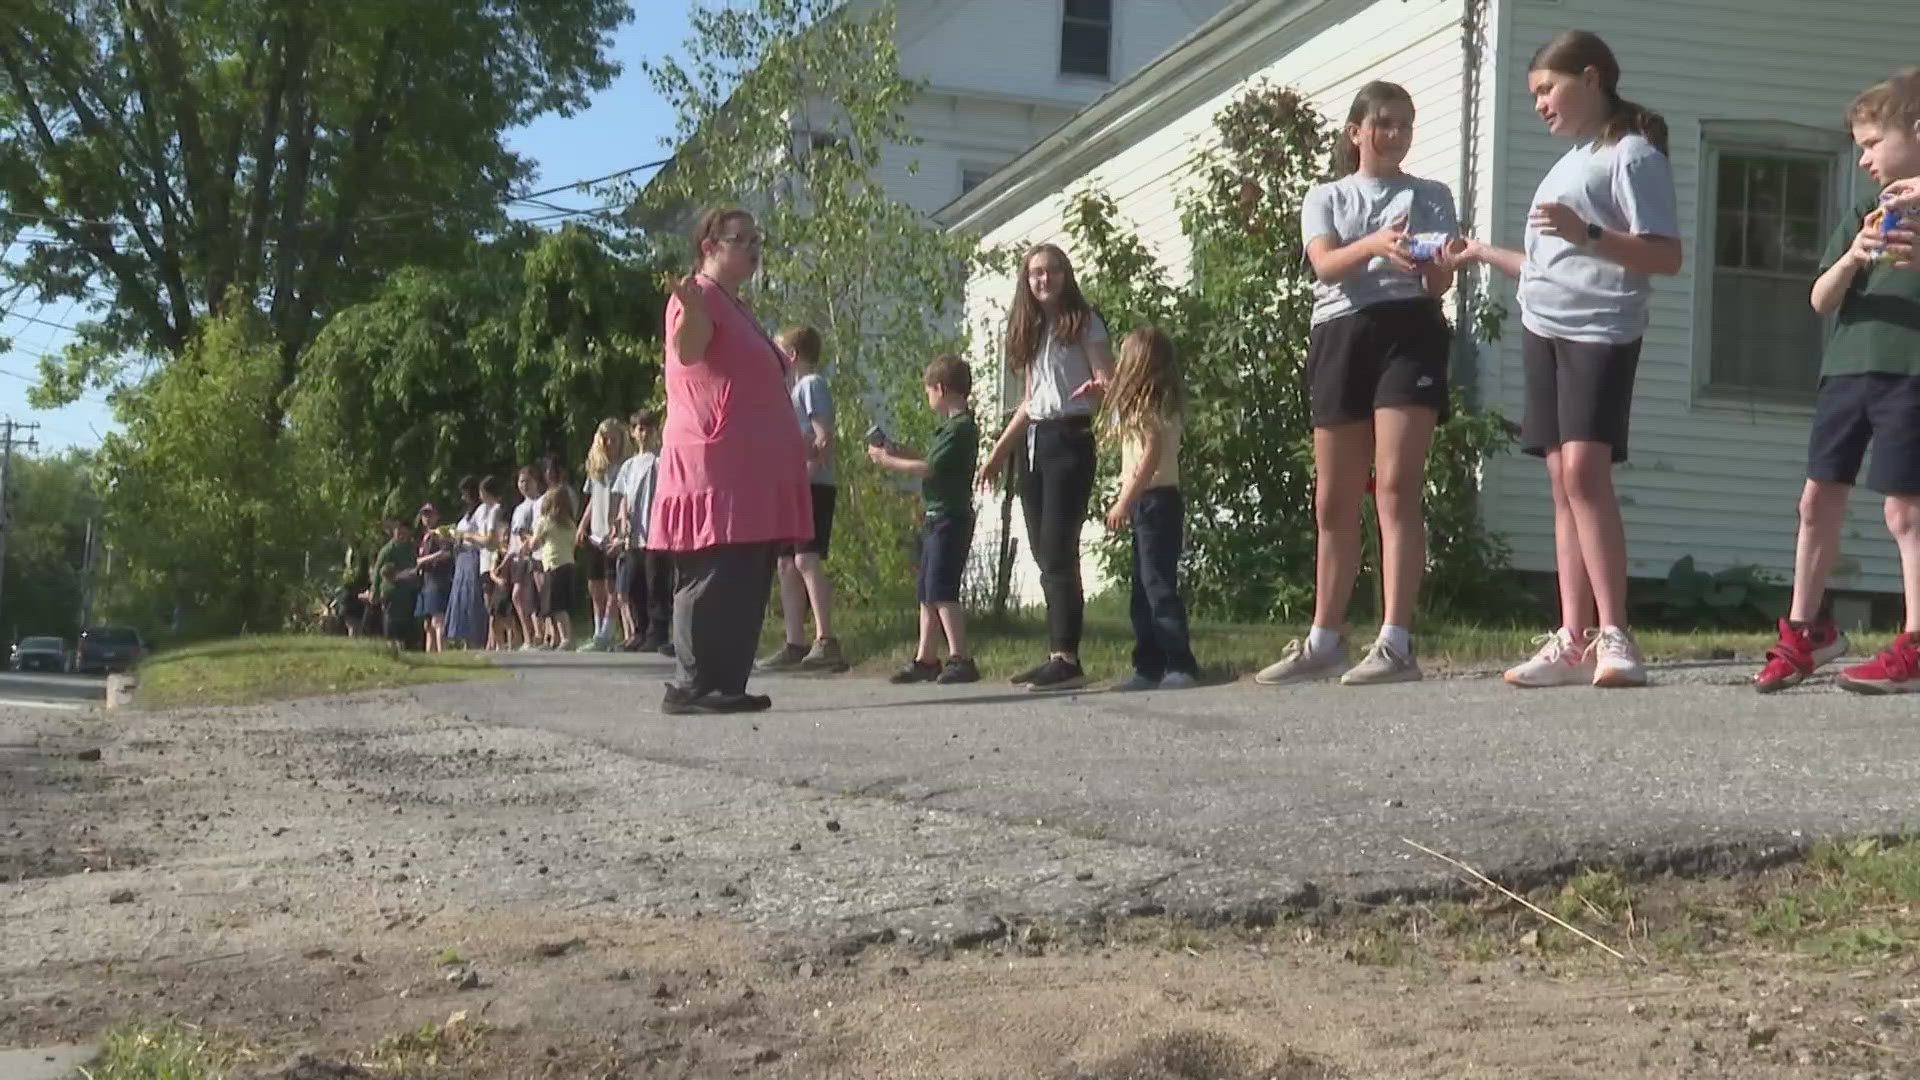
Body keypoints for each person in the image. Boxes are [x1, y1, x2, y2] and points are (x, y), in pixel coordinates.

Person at [1457, 29, 1682, 689]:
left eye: (1546, 90)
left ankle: (1617, 636)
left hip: (1599, 331)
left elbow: (1664, 255)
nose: (1540, 105)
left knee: (1586, 473)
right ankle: (1572, 637)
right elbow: (1548, 265)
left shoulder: (1632, 155)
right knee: (1562, 484)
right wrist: (1479, 253)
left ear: (1590, 79)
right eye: (1532, 95)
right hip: (1543, 328)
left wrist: (1587, 231)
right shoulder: (1570, 160)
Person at [1252, 81, 1460, 688]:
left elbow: (1438, 286)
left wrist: (1435, 263)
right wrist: (1374, 244)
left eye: (1404, 125)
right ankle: (1325, 638)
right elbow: (1323, 263)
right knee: (1333, 499)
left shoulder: (1432, 194)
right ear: (1356, 132)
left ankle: (1396, 641)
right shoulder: (1327, 196)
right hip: (1341, 333)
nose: (1394, 135)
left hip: (1409, 332)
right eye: (1384, 123)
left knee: (1394, 486)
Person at [1754, 70, 1920, 694]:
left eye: (1874, 142)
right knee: (1817, 499)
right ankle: (1807, 632)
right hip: (1849, 370)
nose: (1863, 157)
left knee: (1905, 508)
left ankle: (1914, 641)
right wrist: (1852, 256)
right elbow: (1821, 300)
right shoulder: (1863, 210)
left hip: (1910, 370)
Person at [652, 207, 812, 714]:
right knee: (711, 572)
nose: (752, 247)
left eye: (755, 238)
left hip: (751, 470)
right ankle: (692, 686)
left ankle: (727, 683)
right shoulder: (697, 299)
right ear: (709, 247)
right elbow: (690, 350)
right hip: (714, 464)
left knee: (744, 572)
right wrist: (694, 311)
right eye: (740, 238)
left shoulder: (736, 304)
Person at [975, 243, 1114, 692]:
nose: (1044, 279)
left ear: (1065, 275)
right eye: (1035, 273)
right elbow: (1030, 402)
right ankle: (1055, 652)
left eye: (1052, 270)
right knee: (1040, 547)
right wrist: (998, 453)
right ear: (1026, 280)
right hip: (1035, 440)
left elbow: (1108, 381)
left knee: (1059, 546)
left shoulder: (1084, 322)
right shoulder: (1031, 329)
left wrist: (1099, 388)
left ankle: (1067, 657)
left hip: (1070, 436)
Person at [869, 355, 982, 685]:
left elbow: (929, 469)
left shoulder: (961, 428)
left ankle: (961, 656)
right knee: (927, 589)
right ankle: (926, 657)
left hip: (951, 518)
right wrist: (899, 450)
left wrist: (887, 461)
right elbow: (930, 459)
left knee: (943, 588)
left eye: (928, 391)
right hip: (937, 517)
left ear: (942, 389)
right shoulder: (947, 430)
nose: (927, 397)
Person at [1101, 327, 1200, 692]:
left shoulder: (1150, 404)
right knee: (1143, 588)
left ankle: (1179, 663)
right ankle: (1149, 665)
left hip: (1155, 500)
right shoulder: (1152, 402)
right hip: (1151, 501)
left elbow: (1151, 454)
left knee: (1157, 585)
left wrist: (1125, 499)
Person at [759, 325, 849, 673]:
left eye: (779, 350)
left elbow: (823, 436)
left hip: (811, 485)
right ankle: (794, 642)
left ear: (793, 355)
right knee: (785, 563)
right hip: (789, 487)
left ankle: (826, 640)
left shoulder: (811, 385)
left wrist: (806, 473)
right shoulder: (789, 391)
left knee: (806, 560)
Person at [612, 409, 673, 653]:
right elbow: (625, 496)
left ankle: (657, 633)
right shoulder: (629, 466)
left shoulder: (661, 460)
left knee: (655, 583)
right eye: (639, 428)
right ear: (633, 433)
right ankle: (639, 630)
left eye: (648, 428)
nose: (643, 433)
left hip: (656, 532)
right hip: (634, 535)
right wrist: (623, 517)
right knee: (635, 583)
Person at [576, 418, 634, 652]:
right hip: (595, 533)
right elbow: (592, 499)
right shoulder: (596, 468)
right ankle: (597, 629)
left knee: (613, 587)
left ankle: (606, 633)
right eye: (605, 438)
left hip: (613, 534)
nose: (610, 443)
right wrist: (582, 525)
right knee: (595, 587)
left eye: (614, 438)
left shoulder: (625, 466)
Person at [444, 476, 489, 648]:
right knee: (461, 597)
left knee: (473, 596)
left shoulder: (481, 512)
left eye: (465, 493)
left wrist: (463, 536)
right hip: (461, 557)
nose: (463, 497)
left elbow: (481, 535)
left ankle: (476, 638)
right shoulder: (466, 515)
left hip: (473, 555)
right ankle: (463, 639)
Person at [533, 484, 579, 651]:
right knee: (554, 605)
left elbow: (534, 544)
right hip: (568, 564)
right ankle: (554, 638)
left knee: (556, 605)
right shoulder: (570, 524)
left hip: (553, 565)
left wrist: (527, 542)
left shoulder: (545, 522)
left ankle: (566, 638)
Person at [475, 476, 516, 650]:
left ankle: (507, 640)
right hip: (488, 562)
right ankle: (494, 642)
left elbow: (490, 540)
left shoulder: (495, 511)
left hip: (495, 560)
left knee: (498, 608)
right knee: (492, 608)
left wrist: (470, 537)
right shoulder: (485, 511)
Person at [509, 465, 546, 650]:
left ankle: (538, 634)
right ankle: (528, 636)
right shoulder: (518, 508)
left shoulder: (538, 503)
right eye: (520, 481)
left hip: (531, 555)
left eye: (527, 481)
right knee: (518, 596)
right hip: (517, 557)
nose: (523, 485)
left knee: (530, 596)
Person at [414, 502, 456, 653]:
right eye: (424, 515)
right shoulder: (425, 537)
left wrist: (424, 560)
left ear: (437, 516)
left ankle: (442, 653)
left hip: (438, 581)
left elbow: (446, 553)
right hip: (425, 582)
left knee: (438, 621)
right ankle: (430, 656)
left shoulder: (441, 534)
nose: (427, 518)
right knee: (428, 625)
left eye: (430, 514)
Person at [373, 516, 421, 649]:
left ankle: (404, 645)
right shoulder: (388, 550)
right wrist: (374, 591)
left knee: (406, 621)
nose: (401, 534)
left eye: (404, 531)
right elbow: (378, 570)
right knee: (391, 620)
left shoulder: (412, 548)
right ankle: (391, 645)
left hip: (408, 592)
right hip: (391, 591)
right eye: (398, 531)